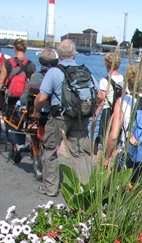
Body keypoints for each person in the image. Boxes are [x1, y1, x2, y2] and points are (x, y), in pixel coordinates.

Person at [33, 39, 93, 197]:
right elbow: (98, 96)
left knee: (50, 150)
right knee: (79, 153)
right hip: (81, 118)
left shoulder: (53, 72)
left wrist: (36, 110)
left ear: (58, 54)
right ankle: (86, 191)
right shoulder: (85, 71)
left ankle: (50, 188)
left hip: (59, 117)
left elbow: (41, 98)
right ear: (74, 53)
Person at [0, 38, 36, 161]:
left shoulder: (8, 63)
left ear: (15, 49)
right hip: (24, 99)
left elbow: (1, 81)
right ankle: (28, 146)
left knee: (12, 123)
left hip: (12, 98)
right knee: (25, 122)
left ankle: (16, 146)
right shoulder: (30, 64)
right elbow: (33, 84)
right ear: (25, 49)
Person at [94, 52, 123, 152]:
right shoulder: (125, 79)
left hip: (108, 112)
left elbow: (102, 100)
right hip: (120, 112)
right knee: (117, 140)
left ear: (107, 64)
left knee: (106, 139)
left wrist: (95, 116)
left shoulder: (104, 80)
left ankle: (105, 160)